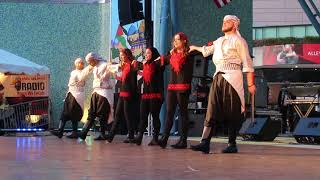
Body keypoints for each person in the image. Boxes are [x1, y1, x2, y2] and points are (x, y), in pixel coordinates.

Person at [189, 15, 256, 154]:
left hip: (232, 76)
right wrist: (193, 47)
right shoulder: (219, 41)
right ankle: (205, 142)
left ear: (235, 24)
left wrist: (250, 84)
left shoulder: (239, 41)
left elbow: (247, 62)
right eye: (223, 21)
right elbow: (206, 51)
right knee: (212, 109)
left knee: (232, 109)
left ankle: (232, 143)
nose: (224, 23)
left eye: (227, 21)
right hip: (218, 76)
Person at [157, 32, 195, 149]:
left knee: (183, 113)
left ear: (184, 41)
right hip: (172, 88)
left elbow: (205, 50)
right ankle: (164, 138)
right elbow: (159, 62)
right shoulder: (171, 55)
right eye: (174, 40)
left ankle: (183, 140)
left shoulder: (190, 53)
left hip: (183, 87)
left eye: (177, 40)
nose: (175, 42)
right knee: (169, 112)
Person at [51, 58, 93, 138]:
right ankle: (60, 131)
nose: (81, 64)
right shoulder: (74, 72)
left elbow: (83, 75)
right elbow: (75, 80)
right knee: (65, 113)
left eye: (82, 63)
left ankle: (74, 132)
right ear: (76, 64)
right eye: (79, 63)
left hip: (77, 96)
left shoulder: (83, 73)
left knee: (75, 113)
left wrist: (90, 67)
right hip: (71, 95)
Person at [106, 48, 139, 143]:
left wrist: (132, 94)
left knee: (127, 114)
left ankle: (131, 135)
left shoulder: (132, 65)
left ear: (127, 55)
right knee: (117, 113)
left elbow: (133, 82)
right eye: (120, 56)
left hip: (128, 93)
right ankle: (111, 135)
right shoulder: (123, 66)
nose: (121, 57)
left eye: (123, 55)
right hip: (122, 92)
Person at [79, 52, 114, 140]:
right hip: (96, 92)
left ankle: (102, 133)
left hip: (104, 92)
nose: (90, 63)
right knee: (92, 112)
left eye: (90, 61)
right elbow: (84, 73)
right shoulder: (94, 66)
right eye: (89, 62)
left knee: (102, 114)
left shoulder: (105, 65)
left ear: (94, 59)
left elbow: (114, 68)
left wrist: (117, 66)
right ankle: (83, 132)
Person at [134, 47, 164, 146]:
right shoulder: (144, 65)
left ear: (153, 54)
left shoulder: (157, 65)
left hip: (155, 96)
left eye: (148, 53)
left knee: (155, 117)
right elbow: (136, 65)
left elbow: (163, 61)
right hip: (145, 95)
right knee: (142, 117)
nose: (146, 55)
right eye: (145, 53)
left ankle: (155, 138)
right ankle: (139, 136)